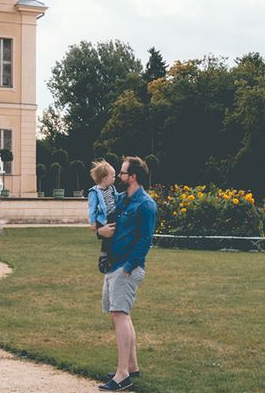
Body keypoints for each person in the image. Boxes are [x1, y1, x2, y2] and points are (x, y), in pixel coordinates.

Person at [96, 156, 157, 391]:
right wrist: (100, 230)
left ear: (133, 177)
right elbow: (103, 220)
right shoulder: (121, 201)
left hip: (126, 267)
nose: (119, 177)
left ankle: (123, 375)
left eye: (122, 173)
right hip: (113, 265)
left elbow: (145, 241)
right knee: (119, 315)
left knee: (120, 315)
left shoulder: (146, 204)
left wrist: (129, 267)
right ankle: (132, 366)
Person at [88, 160, 119, 274]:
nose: (115, 178)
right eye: (113, 176)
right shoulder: (95, 192)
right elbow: (92, 208)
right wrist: (92, 222)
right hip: (103, 218)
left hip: (113, 215)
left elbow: (117, 198)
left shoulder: (112, 189)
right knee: (107, 238)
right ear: (105, 178)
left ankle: (110, 257)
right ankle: (104, 258)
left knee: (112, 236)